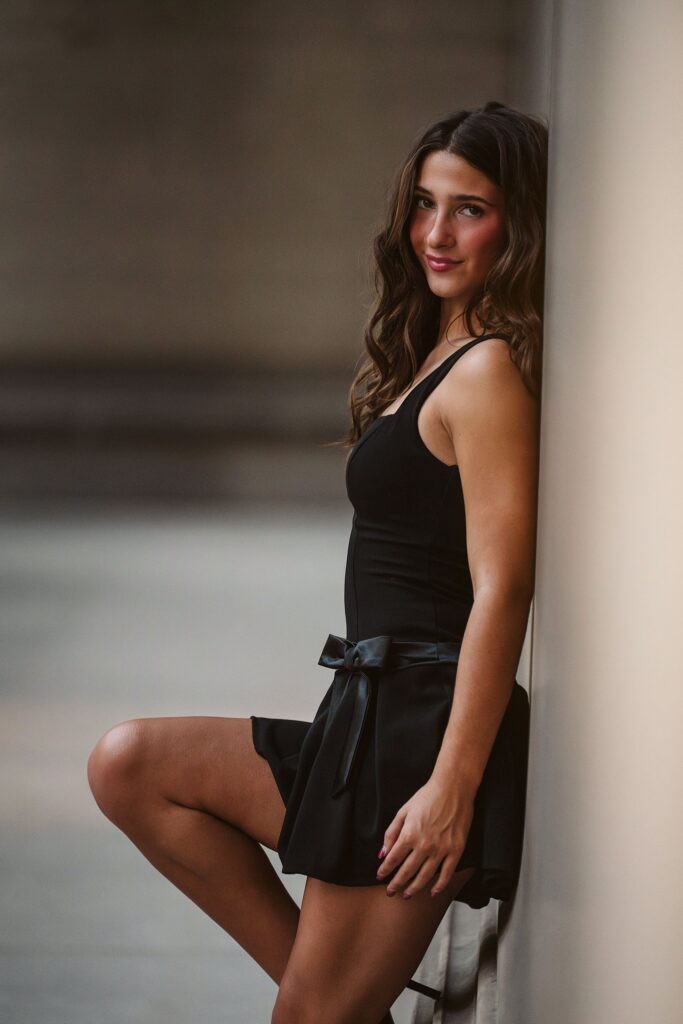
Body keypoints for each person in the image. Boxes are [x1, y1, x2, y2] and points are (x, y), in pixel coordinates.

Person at [87, 100, 547, 1024]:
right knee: (130, 765)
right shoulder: (440, 352)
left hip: (417, 734)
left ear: (519, 226)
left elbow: (503, 589)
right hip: (365, 716)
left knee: (306, 1019)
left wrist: (450, 787)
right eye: (424, 204)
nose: (435, 233)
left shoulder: (487, 373)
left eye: (469, 209)